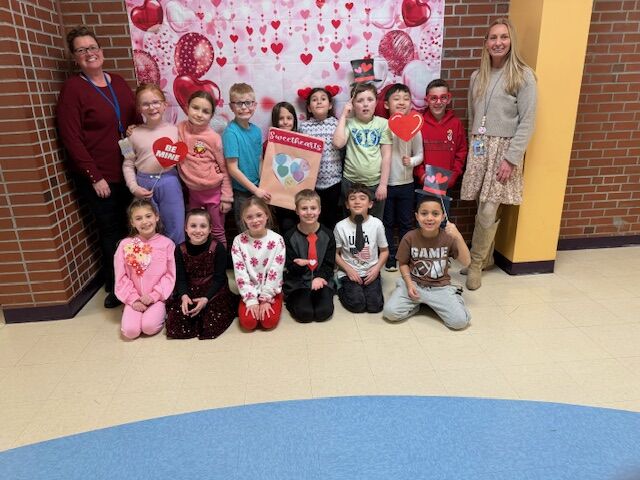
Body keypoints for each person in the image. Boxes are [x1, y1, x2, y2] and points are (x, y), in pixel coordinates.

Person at [57, 26, 139, 308]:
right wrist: (94, 176)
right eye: (82, 50)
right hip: (101, 176)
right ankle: (116, 286)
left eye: (92, 47)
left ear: (101, 51)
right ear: (74, 57)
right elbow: (71, 137)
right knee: (111, 230)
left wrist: (134, 128)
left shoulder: (117, 82)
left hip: (127, 168)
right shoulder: (74, 89)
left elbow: (134, 116)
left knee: (134, 226)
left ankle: (137, 280)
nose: (89, 53)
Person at [460, 18, 537, 290]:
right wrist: (473, 145)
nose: (498, 42)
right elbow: (473, 114)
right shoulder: (476, 76)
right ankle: (489, 256)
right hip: (480, 147)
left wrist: (511, 158)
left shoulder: (523, 76)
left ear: (511, 40)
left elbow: (527, 121)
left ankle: (476, 264)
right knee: (481, 205)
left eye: (503, 37)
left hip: (504, 150)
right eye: (493, 38)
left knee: (488, 208)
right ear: (486, 43)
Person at [383, 194, 471, 330]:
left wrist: (458, 236)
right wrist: (409, 283)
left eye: (435, 214)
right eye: (424, 214)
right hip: (415, 284)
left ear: (442, 217)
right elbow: (403, 263)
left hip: (440, 287)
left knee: (459, 322)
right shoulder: (409, 237)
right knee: (390, 313)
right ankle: (418, 305)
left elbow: (466, 262)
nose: (429, 218)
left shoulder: (449, 237)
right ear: (417, 216)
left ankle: (451, 297)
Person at [124, 83, 186, 245]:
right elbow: (128, 164)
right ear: (139, 108)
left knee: (175, 225)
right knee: (148, 229)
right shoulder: (132, 134)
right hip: (143, 184)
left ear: (165, 105)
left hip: (170, 182)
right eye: (145, 104)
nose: (152, 107)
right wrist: (134, 188)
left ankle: (177, 265)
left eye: (156, 102)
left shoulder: (176, 130)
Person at [165, 209, 238, 340]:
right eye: (193, 226)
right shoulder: (180, 249)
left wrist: (206, 298)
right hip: (190, 290)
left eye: (203, 226)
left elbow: (220, 278)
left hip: (213, 290)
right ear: (186, 228)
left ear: (210, 229)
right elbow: (181, 278)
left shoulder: (218, 247)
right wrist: (184, 295)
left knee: (210, 327)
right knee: (177, 324)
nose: (198, 230)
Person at [177, 91, 233, 248]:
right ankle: (199, 262)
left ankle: (220, 265)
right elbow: (161, 136)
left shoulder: (214, 138)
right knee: (193, 231)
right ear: (187, 107)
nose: (199, 114)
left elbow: (225, 169)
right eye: (195, 108)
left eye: (205, 111)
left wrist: (226, 197)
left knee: (217, 231)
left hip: (214, 194)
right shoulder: (179, 129)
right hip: (193, 194)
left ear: (211, 115)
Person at [114, 199, 175, 340]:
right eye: (138, 218)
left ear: (156, 217)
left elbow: (170, 275)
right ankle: (132, 310)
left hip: (157, 298)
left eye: (148, 216)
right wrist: (133, 299)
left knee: (149, 327)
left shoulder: (167, 244)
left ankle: (160, 312)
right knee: (130, 332)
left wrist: (154, 295)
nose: (145, 221)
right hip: (133, 299)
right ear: (132, 222)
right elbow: (120, 276)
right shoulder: (125, 245)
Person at [333, 83, 393, 220]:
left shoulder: (383, 124)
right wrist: (343, 115)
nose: (365, 104)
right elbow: (337, 143)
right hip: (350, 183)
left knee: (374, 224)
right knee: (349, 224)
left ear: (376, 102)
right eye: (360, 101)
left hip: (374, 184)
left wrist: (383, 184)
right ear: (352, 104)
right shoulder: (349, 123)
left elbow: (386, 156)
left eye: (370, 100)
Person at [381, 83, 424, 272]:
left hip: (407, 184)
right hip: (387, 184)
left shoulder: (415, 128)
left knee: (406, 223)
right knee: (387, 222)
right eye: (397, 99)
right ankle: (390, 256)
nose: (402, 102)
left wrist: (412, 161)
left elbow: (421, 154)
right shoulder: (383, 126)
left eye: (406, 99)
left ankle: (404, 256)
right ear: (386, 105)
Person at [231, 197, 285, 331]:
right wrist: (250, 299)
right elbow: (240, 273)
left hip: (270, 290)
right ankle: (248, 298)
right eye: (249, 217)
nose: (255, 220)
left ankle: (277, 298)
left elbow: (276, 271)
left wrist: (266, 298)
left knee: (268, 322)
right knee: (249, 323)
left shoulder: (277, 240)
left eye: (259, 215)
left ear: (267, 215)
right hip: (249, 290)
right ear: (244, 219)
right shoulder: (238, 241)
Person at [334, 183, 388, 313]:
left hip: (370, 271)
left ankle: (369, 288)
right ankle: (340, 286)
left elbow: (384, 251)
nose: (357, 202)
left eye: (362, 198)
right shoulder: (340, 226)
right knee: (357, 305)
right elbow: (335, 254)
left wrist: (376, 269)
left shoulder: (376, 224)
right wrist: (348, 270)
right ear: (347, 205)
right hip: (349, 272)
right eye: (352, 199)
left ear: (370, 204)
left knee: (375, 307)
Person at [223, 83, 270, 233]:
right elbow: (233, 169)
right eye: (239, 103)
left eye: (248, 103)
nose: (244, 107)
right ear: (231, 106)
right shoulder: (231, 133)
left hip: (258, 188)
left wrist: (262, 186)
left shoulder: (256, 130)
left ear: (254, 105)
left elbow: (260, 160)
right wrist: (255, 190)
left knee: (262, 228)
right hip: (242, 193)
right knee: (245, 230)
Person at [283, 189, 336, 323]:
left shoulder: (328, 235)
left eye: (313, 208)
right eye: (304, 208)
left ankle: (319, 296)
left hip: (321, 281)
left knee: (323, 313)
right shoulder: (289, 236)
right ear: (297, 211)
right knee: (305, 314)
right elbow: (290, 267)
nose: (309, 212)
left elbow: (329, 264)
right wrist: (298, 266)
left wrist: (320, 277)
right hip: (298, 282)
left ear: (319, 210)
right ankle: (293, 299)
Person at [298, 87, 343, 230]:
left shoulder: (336, 123)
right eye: (314, 100)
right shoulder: (304, 127)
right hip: (312, 183)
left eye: (323, 99)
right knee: (316, 220)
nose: (319, 102)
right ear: (309, 108)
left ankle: (332, 248)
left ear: (330, 105)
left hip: (334, 181)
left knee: (332, 219)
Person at [415, 78, 467, 190]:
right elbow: (413, 152)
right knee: (423, 208)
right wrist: (422, 175)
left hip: (446, 183)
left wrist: (453, 176)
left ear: (448, 99)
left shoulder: (455, 124)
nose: (438, 102)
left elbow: (461, 152)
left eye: (443, 97)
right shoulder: (419, 123)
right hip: (424, 183)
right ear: (427, 100)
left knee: (443, 208)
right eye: (433, 98)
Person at [265, 101, 299, 235]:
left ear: (294, 120)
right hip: (280, 199)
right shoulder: (268, 145)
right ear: (275, 121)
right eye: (281, 118)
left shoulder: (303, 142)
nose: (285, 122)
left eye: (289, 118)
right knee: (286, 227)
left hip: (299, 195)